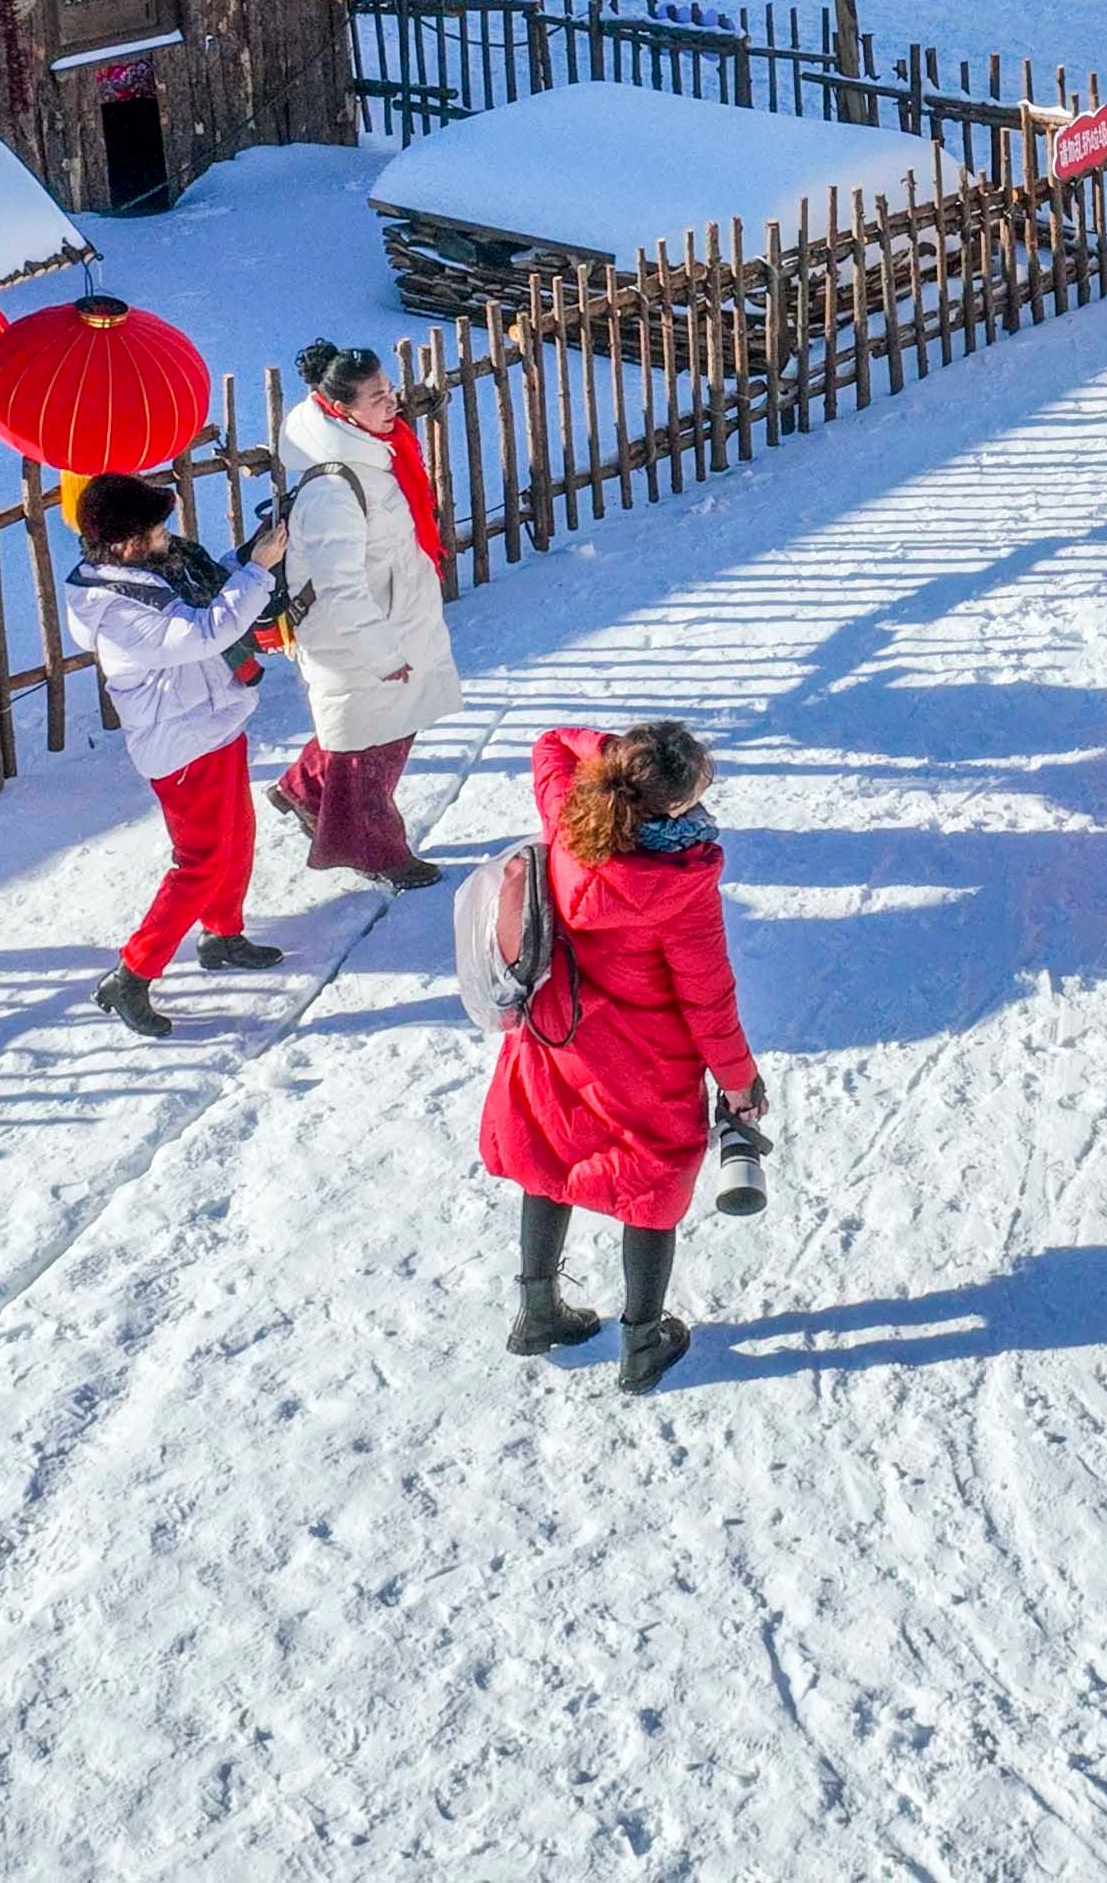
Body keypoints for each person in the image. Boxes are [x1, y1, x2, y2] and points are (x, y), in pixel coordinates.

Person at [476, 721, 762, 1396]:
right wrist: (739, 1081)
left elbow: (551, 742)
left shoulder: (568, 817)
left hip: (558, 1034)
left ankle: (538, 1311)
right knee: (650, 1185)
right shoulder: (682, 886)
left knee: (549, 1156)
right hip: (644, 1058)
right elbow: (708, 998)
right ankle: (643, 1341)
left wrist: (619, 757)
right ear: (675, 806)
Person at [62, 468, 293, 1037]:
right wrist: (259, 570)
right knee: (201, 863)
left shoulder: (150, 571)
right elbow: (205, 631)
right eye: (158, 531)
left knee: (237, 835)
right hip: (181, 747)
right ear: (126, 544)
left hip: (211, 721)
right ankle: (132, 974)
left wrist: (248, 559)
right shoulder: (116, 611)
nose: (169, 537)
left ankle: (222, 934)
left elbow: (207, 591)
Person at [270, 340, 461, 888]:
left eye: (389, 389)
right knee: (370, 749)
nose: (391, 402)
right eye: (377, 397)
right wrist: (382, 654)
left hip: (391, 617)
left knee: (375, 729)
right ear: (341, 409)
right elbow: (340, 587)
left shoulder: (373, 452)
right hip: (357, 638)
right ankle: (375, 851)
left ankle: (306, 788)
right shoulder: (333, 489)